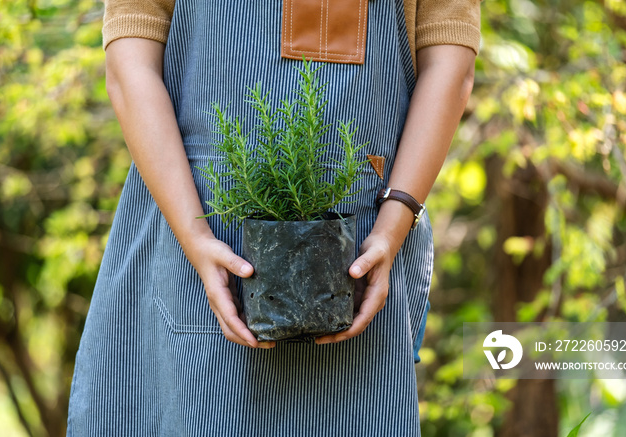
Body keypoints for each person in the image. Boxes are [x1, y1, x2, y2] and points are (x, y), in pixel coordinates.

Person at [67, 0, 480, 435]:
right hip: (192, 233)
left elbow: (450, 58)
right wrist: (195, 236)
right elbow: (129, 61)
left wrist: (392, 227)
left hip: (363, 247)